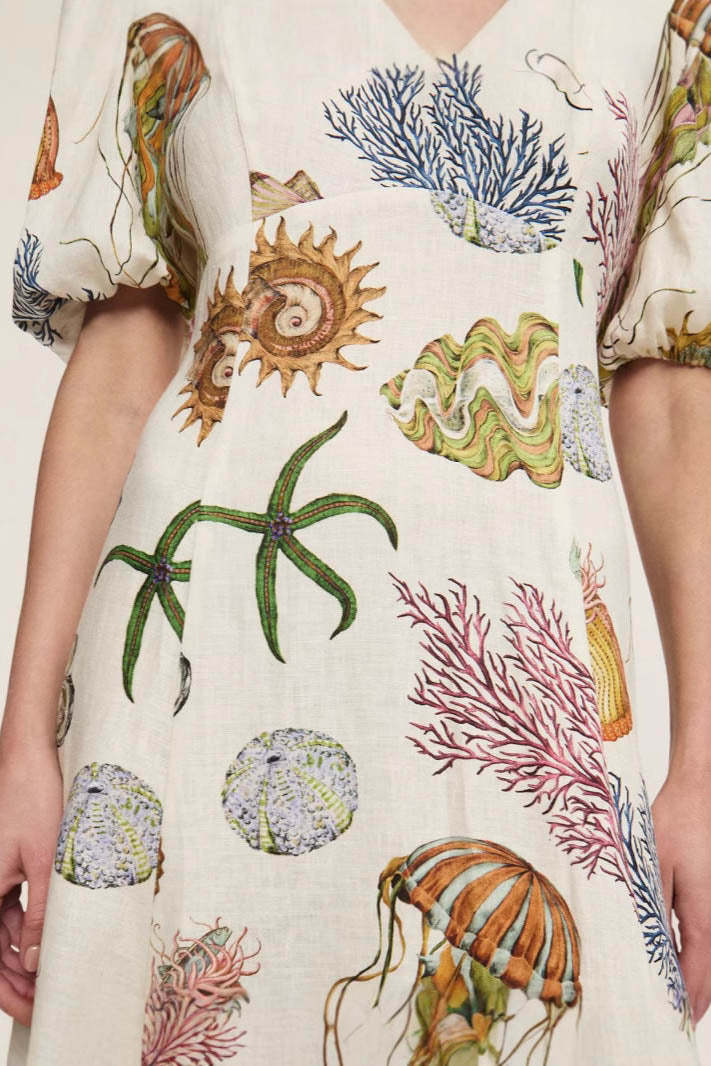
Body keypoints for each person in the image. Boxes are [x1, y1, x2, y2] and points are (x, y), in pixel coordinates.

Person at [1, 0, 710, 1062]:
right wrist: (22, 739)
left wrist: (703, 761)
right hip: (197, 662)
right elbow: (122, 356)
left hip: (537, 698)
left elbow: (674, 389)